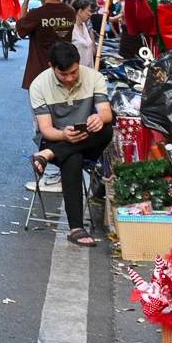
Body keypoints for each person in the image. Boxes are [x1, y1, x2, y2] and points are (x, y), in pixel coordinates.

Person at [28, 42, 113, 247]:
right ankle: (76, 227)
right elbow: (46, 128)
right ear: (51, 67)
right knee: (72, 158)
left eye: (73, 72)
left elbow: (106, 112)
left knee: (107, 128)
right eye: (63, 74)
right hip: (54, 138)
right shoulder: (38, 85)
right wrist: (63, 136)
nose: (69, 78)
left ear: (79, 63)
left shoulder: (94, 77)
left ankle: (48, 155)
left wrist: (99, 118)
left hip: (86, 138)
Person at [16, 0, 81, 90]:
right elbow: (52, 12)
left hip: (40, 75)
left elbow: (20, 28)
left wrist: (26, 0)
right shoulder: (70, 12)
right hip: (63, 72)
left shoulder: (37, 14)